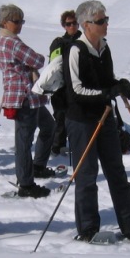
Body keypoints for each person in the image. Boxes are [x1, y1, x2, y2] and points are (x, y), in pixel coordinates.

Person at [63, 0, 130, 242]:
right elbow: (76, 91)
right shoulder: (76, 50)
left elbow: (106, 80)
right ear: (86, 24)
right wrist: (106, 93)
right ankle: (88, 229)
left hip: (105, 117)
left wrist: (120, 85)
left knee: (117, 172)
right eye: (101, 21)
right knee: (87, 175)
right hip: (82, 121)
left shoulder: (104, 47)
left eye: (106, 19)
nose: (106, 24)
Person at [0, 4, 55, 198]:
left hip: (29, 96)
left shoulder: (6, 40)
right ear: (5, 22)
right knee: (24, 141)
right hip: (24, 97)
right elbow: (37, 60)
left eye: (21, 21)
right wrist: (34, 61)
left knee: (48, 126)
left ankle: (37, 167)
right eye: (16, 21)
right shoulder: (11, 42)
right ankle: (26, 183)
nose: (20, 24)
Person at [48, 10, 80, 157]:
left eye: (74, 23)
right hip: (61, 88)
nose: (72, 26)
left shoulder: (85, 41)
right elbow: (53, 65)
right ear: (64, 26)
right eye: (68, 24)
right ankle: (57, 148)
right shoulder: (58, 43)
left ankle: (80, 147)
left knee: (79, 120)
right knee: (60, 119)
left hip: (79, 87)